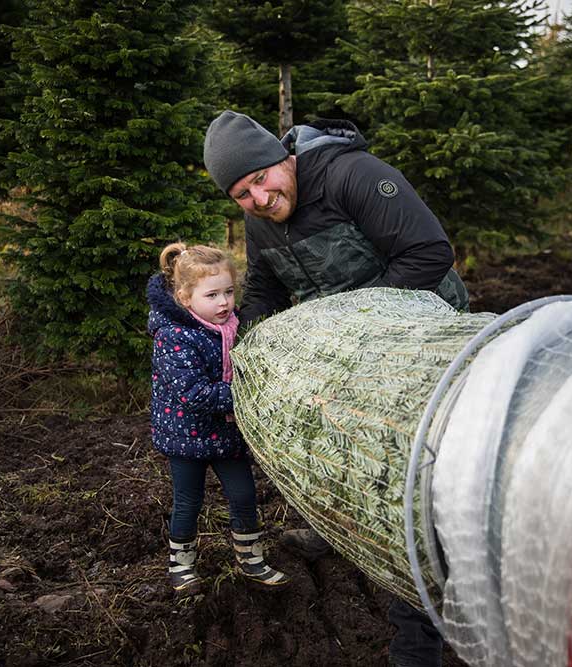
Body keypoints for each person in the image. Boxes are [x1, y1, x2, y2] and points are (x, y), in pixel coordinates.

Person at [203, 111, 464, 666]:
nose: (259, 198)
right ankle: (341, 523)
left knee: (408, 481)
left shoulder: (354, 176)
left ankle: (417, 641)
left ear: (282, 159)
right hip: (349, 360)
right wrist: (239, 346)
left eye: (261, 180)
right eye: (241, 194)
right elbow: (265, 288)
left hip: (423, 343)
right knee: (338, 447)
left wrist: (359, 324)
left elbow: (429, 253)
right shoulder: (262, 219)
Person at [147, 242, 290, 595]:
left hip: (227, 432)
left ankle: (251, 559)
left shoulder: (234, 325)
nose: (224, 302)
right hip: (186, 434)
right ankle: (182, 564)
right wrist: (249, 396)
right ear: (184, 297)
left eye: (228, 291)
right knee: (188, 500)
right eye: (212, 295)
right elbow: (194, 395)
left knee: (244, 495)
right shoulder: (174, 337)